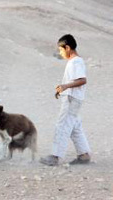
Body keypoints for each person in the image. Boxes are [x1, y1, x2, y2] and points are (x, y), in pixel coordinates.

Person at [40, 34, 91, 166]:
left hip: (72, 99)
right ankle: (84, 155)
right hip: (72, 97)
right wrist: (62, 89)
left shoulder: (75, 62)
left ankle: (56, 156)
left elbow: (82, 80)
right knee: (75, 126)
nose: (60, 53)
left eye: (61, 50)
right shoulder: (74, 62)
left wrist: (65, 86)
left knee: (62, 125)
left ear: (67, 47)